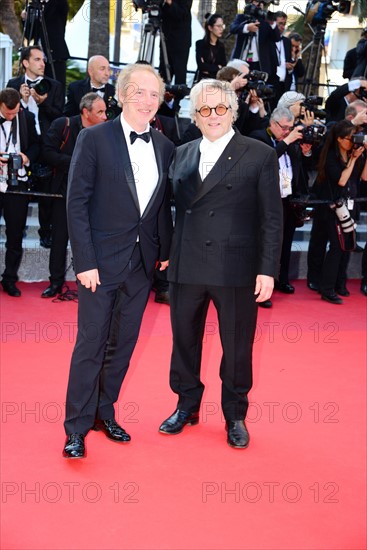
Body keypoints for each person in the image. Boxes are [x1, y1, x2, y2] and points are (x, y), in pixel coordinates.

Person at [158, 79, 283, 449]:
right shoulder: (180, 153)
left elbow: (272, 218)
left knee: (237, 345)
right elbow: (165, 209)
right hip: (187, 263)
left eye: (220, 108)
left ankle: (235, 415)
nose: (213, 116)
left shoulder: (259, 154)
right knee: (184, 341)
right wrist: (163, 252)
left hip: (237, 267)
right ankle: (186, 405)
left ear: (233, 111)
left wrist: (267, 268)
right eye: (204, 110)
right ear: (195, 116)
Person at [63, 63, 174, 459]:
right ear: (123, 93)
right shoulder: (93, 138)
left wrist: (164, 252)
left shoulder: (164, 145)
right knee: (91, 344)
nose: (147, 101)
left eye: (154, 95)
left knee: (123, 344)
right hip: (99, 264)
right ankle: (75, 427)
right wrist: (84, 261)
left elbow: (160, 206)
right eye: (140, 92)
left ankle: (102, 412)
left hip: (142, 264)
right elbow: (76, 204)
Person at [41, 93, 107, 299]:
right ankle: (55, 283)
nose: (106, 116)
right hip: (64, 195)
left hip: (96, 197)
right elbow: (47, 152)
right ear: (86, 112)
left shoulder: (106, 133)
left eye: (105, 111)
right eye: (100, 112)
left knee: (92, 241)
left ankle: (88, 282)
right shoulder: (64, 124)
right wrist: (78, 162)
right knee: (60, 239)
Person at [249, 107, 312, 307]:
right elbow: (263, 161)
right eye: (284, 127)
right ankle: (258, 288)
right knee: (263, 245)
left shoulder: (291, 142)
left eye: (290, 127)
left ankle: (281, 279)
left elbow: (299, 168)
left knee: (285, 242)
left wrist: (305, 152)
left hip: (286, 200)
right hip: (264, 202)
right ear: (272, 124)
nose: (287, 131)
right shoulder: (258, 137)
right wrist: (286, 141)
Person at [7, 45, 65, 249]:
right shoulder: (13, 84)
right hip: (23, 144)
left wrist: (42, 103)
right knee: (19, 188)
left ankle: (45, 231)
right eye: (38, 59)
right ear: (25, 63)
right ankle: (17, 227)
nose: (43, 64)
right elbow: (9, 114)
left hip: (47, 144)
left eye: (43, 60)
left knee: (47, 189)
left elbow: (59, 117)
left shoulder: (54, 85)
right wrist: (22, 103)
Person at [314, 120, 367, 303]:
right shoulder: (330, 156)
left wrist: (364, 156)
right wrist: (352, 159)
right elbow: (342, 181)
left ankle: (340, 284)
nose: (353, 141)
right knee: (337, 247)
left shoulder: (355, 154)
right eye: (350, 138)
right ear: (339, 139)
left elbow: (364, 177)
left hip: (350, 206)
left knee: (348, 246)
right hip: (333, 208)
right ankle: (327, 289)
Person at [0, 88, 40, 297]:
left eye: (15, 112)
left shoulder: (26, 118)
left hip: (17, 183)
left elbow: (36, 145)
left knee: (15, 234)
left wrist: (26, 157)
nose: (12, 116)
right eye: (7, 113)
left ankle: (9, 279)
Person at [159, 0, 193, 85]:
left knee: (180, 73)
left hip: (181, 41)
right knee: (163, 73)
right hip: (166, 39)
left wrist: (170, 2)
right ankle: (162, 95)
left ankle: (179, 97)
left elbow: (182, 14)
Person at [195, 13, 227, 81]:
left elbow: (224, 68)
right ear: (210, 28)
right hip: (202, 81)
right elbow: (201, 66)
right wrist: (218, 67)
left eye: (222, 26)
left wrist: (208, 68)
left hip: (217, 81)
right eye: (218, 26)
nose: (221, 29)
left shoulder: (221, 46)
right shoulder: (200, 44)